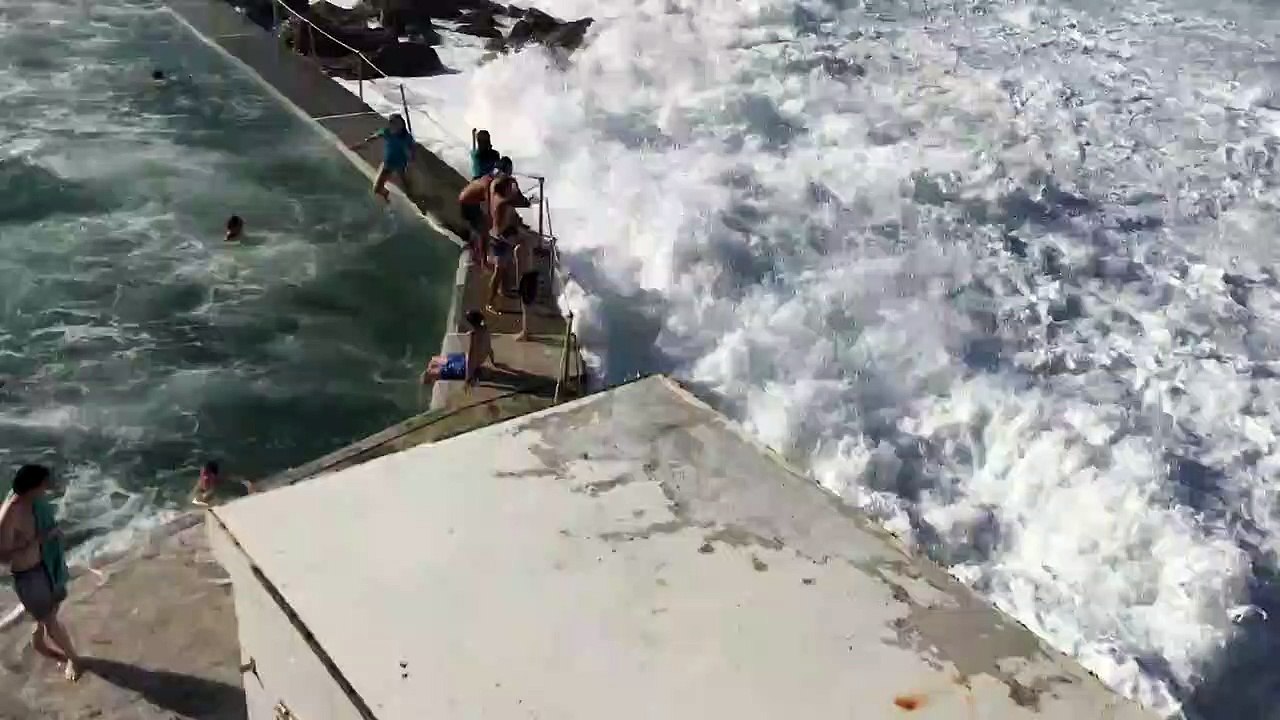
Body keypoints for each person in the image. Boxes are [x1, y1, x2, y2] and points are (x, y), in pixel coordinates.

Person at [0, 465, 80, 681]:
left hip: (46, 563)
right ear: (31, 488)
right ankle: (73, 658)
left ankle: (37, 639)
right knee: (51, 619)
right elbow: (3, 557)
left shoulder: (34, 501)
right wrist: (36, 541)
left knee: (53, 606)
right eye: (43, 485)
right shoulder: (10, 515)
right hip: (29, 575)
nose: (47, 488)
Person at [420, 310, 496, 388]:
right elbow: (489, 348)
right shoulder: (484, 328)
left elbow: (472, 355)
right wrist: (492, 360)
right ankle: (430, 373)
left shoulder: (474, 336)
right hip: (479, 359)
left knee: (436, 369)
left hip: (471, 363)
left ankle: (429, 376)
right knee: (434, 362)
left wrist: (469, 376)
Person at [352, 114, 414, 203]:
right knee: (376, 189)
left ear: (402, 125)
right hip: (388, 163)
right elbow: (374, 137)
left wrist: (411, 157)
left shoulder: (406, 137)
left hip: (401, 163)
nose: (395, 126)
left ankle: (412, 195)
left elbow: (411, 148)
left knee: (404, 181)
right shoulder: (387, 132)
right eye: (393, 123)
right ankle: (385, 193)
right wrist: (361, 145)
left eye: (397, 124)